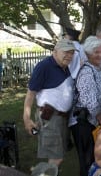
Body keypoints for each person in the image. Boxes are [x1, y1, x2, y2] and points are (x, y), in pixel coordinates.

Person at [23, 39, 76, 167]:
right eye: (66, 52)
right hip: (50, 118)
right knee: (55, 159)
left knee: (58, 156)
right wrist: (26, 119)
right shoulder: (44, 67)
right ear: (55, 51)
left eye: (72, 53)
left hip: (61, 118)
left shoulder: (64, 67)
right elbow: (31, 94)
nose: (69, 56)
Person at [68, 36, 101, 176]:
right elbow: (90, 100)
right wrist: (100, 117)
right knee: (87, 160)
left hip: (97, 121)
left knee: (96, 158)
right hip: (85, 123)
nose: (100, 55)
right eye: (96, 52)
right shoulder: (87, 71)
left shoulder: (100, 68)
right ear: (87, 53)